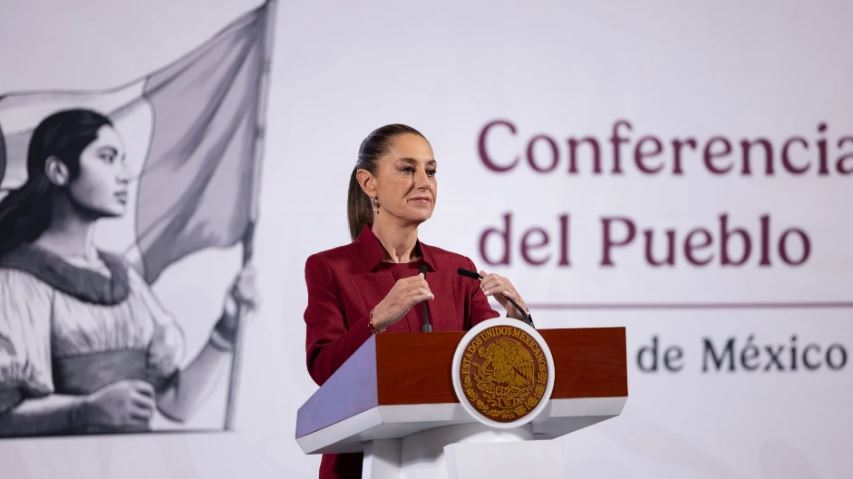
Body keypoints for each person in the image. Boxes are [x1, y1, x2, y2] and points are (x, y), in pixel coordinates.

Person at [0, 109, 254, 435]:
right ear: (58, 171)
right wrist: (84, 410)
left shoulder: (125, 279)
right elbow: (4, 415)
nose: (123, 175)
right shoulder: (17, 280)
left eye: (122, 160)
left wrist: (226, 329)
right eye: (107, 158)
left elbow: (176, 404)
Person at [303, 124, 530, 478]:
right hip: (361, 464)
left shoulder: (458, 270)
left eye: (431, 171)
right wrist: (376, 320)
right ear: (368, 183)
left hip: (452, 464)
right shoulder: (330, 268)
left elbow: (493, 368)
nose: (424, 182)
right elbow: (324, 370)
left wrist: (518, 322)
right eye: (408, 169)